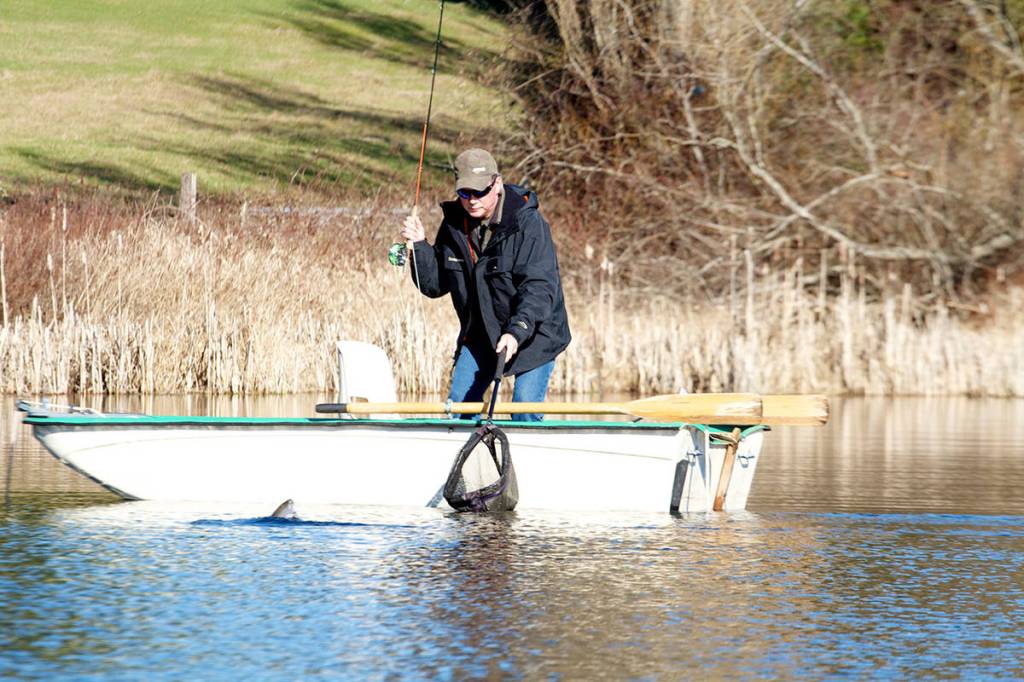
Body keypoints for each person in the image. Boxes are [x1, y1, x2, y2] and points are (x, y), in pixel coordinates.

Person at [400, 148, 571, 421]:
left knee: (523, 408)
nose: (472, 200)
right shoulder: (454, 225)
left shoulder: (528, 225)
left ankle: (520, 457)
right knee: (457, 408)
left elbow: (539, 288)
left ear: (498, 184)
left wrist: (516, 331)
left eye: (480, 192)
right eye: (465, 193)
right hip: (481, 332)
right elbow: (434, 285)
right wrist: (419, 247)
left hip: (534, 330)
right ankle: (465, 459)